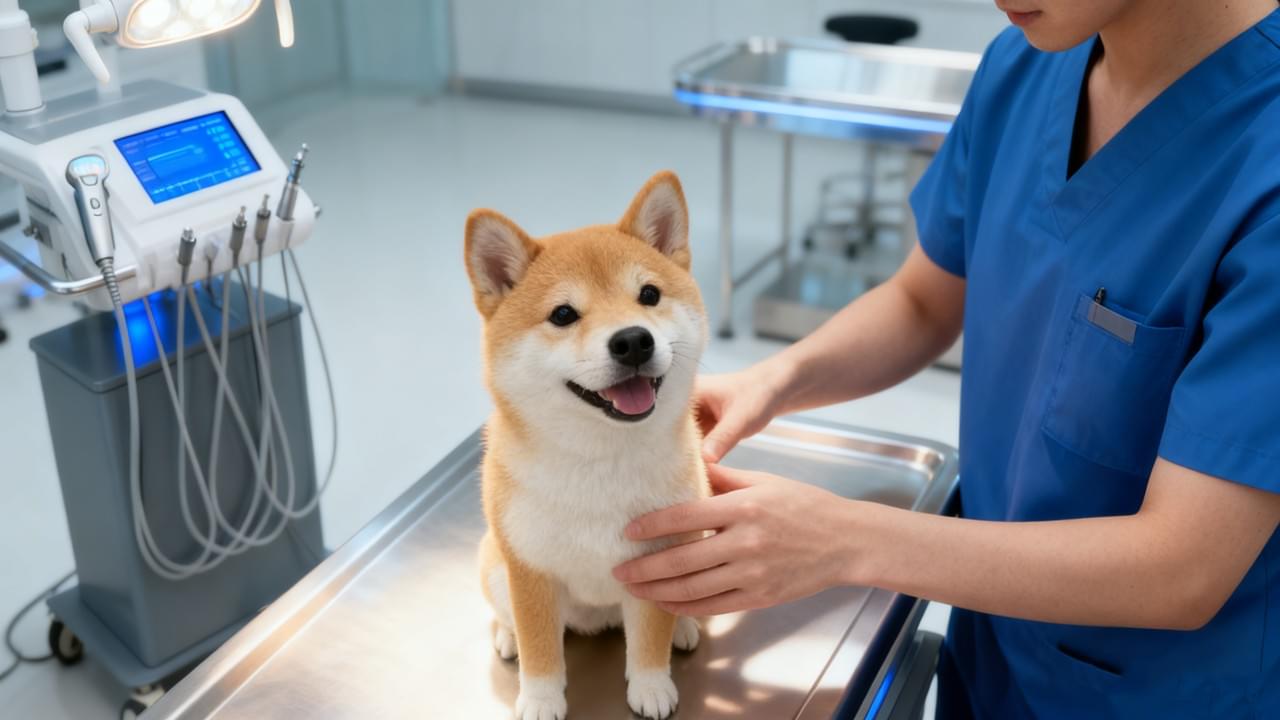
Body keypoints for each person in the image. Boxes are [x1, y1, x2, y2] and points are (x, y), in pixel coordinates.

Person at [612, 1, 1280, 717]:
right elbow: (923, 302)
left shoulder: (1260, 160)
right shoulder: (1025, 65)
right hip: (991, 644)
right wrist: (771, 381)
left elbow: (1185, 568)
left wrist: (845, 541)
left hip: (1156, 692)